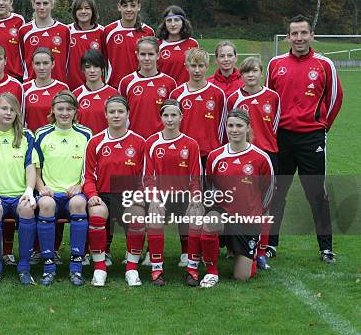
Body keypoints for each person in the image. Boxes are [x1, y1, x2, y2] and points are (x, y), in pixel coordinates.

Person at [266, 14, 343, 263]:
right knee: (277, 192)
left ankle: (326, 248)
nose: (299, 38)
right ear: (288, 37)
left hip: (312, 138)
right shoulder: (275, 64)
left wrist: (322, 127)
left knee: (316, 194)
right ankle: (270, 245)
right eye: (294, 33)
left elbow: (335, 99)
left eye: (303, 33)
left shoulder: (324, 64)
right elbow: (269, 100)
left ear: (312, 35)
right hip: (282, 138)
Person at [195, 109, 275, 287]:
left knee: (242, 277)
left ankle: (251, 256)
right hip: (223, 213)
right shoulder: (215, 156)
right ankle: (211, 272)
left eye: (239, 125)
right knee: (210, 223)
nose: (234, 130)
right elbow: (208, 188)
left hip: (247, 219)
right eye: (230, 125)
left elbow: (268, 191)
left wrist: (256, 214)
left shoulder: (261, 158)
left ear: (248, 128)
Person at [82, 95, 145, 286]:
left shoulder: (139, 142)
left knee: (137, 214)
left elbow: (146, 177)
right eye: (112, 112)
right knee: (96, 213)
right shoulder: (95, 142)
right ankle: (100, 268)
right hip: (103, 195)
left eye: (120, 112)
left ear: (127, 114)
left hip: (129, 196)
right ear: (106, 115)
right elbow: (88, 177)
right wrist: (93, 196)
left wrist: (139, 197)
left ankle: (132, 269)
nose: (116, 115)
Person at [0, 93, 39, 285]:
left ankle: (24, 268)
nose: (8, 113)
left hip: (20, 194)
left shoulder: (27, 135)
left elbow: (30, 166)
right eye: (4, 108)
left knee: (28, 208)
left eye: (13, 109)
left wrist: (29, 191)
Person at [34, 91, 92, 285]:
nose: (64, 113)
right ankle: (48, 266)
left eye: (69, 109)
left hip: (75, 192)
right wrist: (41, 187)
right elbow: (35, 167)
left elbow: (90, 168)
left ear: (75, 112)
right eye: (60, 109)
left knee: (77, 204)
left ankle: (76, 267)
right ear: (53, 110)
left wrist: (80, 185)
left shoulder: (85, 134)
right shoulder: (42, 134)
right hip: (50, 191)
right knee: (47, 205)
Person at [227, 56, 280, 269]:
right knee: (238, 201)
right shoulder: (234, 98)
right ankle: (235, 246)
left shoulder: (273, 96)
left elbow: (275, 126)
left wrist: (266, 148)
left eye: (254, 71)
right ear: (241, 75)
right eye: (246, 72)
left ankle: (261, 251)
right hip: (241, 157)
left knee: (264, 204)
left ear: (261, 72)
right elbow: (228, 127)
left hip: (266, 155)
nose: (250, 75)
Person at [144, 100, 202, 286]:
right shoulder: (151, 143)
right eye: (166, 115)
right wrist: (154, 199)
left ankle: (192, 268)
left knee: (195, 215)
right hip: (161, 197)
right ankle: (156, 270)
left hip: (184, 197)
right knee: (154, 217)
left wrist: (195, 199)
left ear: (181, 117)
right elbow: (148, 177)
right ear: (160, 117)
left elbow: (196, 178)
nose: (169, 119)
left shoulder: (191, 144)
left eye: (173, 115)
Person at [169, 48, 226, 165]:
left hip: (210, 153)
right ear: (186, 66)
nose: (197, 70)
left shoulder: (218, 94)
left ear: (207, 67)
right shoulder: (176, 94)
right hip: (183, 152)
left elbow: (222, 125)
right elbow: (171, 125)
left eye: (201, 66)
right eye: (193, 66)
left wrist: (217, 149)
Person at [118, 36, 177, 139]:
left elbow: (174, 116)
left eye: (150, 54)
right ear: (137, 55)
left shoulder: (169, 83)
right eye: (143, 54)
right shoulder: (126, 82)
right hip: (133, 140)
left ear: (158, 55)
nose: (146, 58)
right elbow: (120, 113)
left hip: (161, 140)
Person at [103, 0, 155, 88]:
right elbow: (102, 59)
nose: (129, 9)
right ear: (119, 7)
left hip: (140, 85)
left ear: (139, 7)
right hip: (114, 86)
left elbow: (153, 61)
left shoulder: (148, 32)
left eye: (133, 5)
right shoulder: (109, 31)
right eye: (125, 6)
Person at [19, 0, 70, 83]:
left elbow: (67, 63)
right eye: (38, 3)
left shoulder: (64, 30)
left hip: (58, 87)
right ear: (33, 5)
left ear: (52, 5)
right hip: (32, 88)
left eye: (45, 3)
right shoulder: (24, 31)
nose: (42, 7)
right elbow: (22, 62)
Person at [72, 49, 118, 134]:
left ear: (102, 68)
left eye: (96, 66)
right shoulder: (75, 95)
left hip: (106, 144)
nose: (92, 70)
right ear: (82, 69)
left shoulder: (114, 94)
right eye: (88, 67)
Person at [23, 48, 69, 132]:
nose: (41, 67)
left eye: (45, 63)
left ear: (53, 64)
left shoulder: (62, 88)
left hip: (54, 141)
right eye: (37, 63)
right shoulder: (24, 88)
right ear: (32, 65)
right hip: (31, 139)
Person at [67, 0, 104, 91]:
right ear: (74, 11)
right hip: (72, 89)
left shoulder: (102, 32)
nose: (83, 11)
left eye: (87, 8)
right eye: (79, 8)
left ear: (93, 10)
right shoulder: (66, 31)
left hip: (96, 88)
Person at [156, 5, 198, 84]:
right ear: (164, 24)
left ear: (183, 22)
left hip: (185, 93)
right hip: (164, 92)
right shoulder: (157, 44)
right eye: (169, 21)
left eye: (176, 20)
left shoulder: (193, 44)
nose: (173, 24)